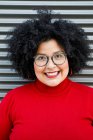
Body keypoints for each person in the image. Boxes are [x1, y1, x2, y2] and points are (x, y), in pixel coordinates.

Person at [0, 9, 93, 140]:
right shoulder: (12, 100)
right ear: (29, 62)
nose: (50, 66)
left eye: (58, 56)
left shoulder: (90, 98)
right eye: (41, 58)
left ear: (71, 58)